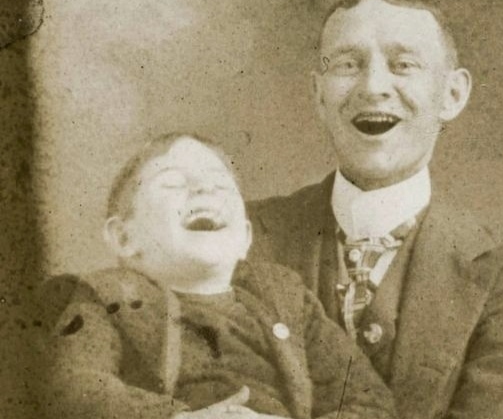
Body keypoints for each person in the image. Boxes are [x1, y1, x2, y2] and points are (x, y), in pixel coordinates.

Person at [247, 0, 503, 419]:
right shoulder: (247, 238)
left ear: (452, 95)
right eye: (348, 64)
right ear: (319, 94)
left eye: (403, 65)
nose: (373, 87)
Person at [44, 133, 396, 419]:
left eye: (220, 185)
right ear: (124, 238)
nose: (204, 190)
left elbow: (368, 399)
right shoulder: (104, 296)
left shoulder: (285, 297)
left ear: (245, 237)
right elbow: (73, 385)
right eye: (171, 184)